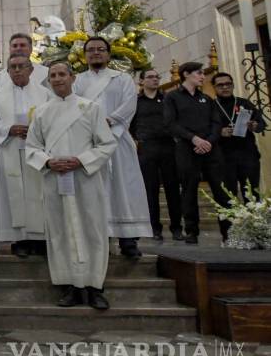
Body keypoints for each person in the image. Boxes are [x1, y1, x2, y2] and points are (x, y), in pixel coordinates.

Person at [26, 62, 118, 310]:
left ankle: (95, 286)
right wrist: (48, 161)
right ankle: (69, 285)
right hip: (55, 178)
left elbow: (107, 144)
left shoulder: (90, 108)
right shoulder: (42, 112)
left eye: (61, 74)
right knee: (60, 230)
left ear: (72, 77)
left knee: (92, 229)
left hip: (85, 178)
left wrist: (81, 160)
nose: (57, 79)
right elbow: (31, 148)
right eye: (52, 76)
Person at [74, 37, 152, 258]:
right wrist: (90, 128)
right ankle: (99, 238)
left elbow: (129, 105)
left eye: (100, 49)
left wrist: (108, 123)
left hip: (117, 142)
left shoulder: (122, 79)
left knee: (123, 189)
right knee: (95, 191)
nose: (96, 53)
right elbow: (73, 105)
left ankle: (128, 240)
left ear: (109, 54)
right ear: (85, 55)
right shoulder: (77, 81)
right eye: (91, 50)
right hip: (88, 143)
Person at [0, 55, 52, 257]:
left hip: (37, 151)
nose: (16, 70)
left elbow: (53, 118)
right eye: (12, 67)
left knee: (38, 193)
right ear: (7, 72)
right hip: (10, 149)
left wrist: (35, 130)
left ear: (31, 70)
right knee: (13, 195)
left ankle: (39, 239)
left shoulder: (45, 94)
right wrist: (9, 129)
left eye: (21, 66)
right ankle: (20, 240)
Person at [163, 62, 228, 243]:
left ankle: (228, 231)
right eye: (199, 73)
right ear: (186, 74)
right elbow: (171, 123)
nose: (202, 77)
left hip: (210, 149)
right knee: (189, 190)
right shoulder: (172, 98)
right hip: (186, 148)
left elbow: (216, 123)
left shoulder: (206, 98)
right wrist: (193, 139)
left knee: (220, 191)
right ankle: (192, 231)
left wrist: (208, 141)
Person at [130, 69, 183, 240]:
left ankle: (176, 228)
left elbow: (177, 120)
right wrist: (138, 138)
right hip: (147, 147)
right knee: (150, 189)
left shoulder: (168, 99)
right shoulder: (136, 102)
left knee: (173, 188)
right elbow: (131, 124)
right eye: (150, 77)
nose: (154, 80)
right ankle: (155, 228)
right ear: (141, 81)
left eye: (157, 77)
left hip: (168, 146)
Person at [213, 72, 264, 201]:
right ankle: (231, 222)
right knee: (227, 197)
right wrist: (220, 132)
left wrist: (255, 126)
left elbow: (261, 123)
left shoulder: (244, 103)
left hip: (247, 155)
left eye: (228, 84)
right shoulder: (211, 107)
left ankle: (255, 221)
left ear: (233, 85)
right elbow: (203, 130)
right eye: (220, 85)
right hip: (224, 158)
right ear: (214, 87)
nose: (225, 87)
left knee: (252, 195)